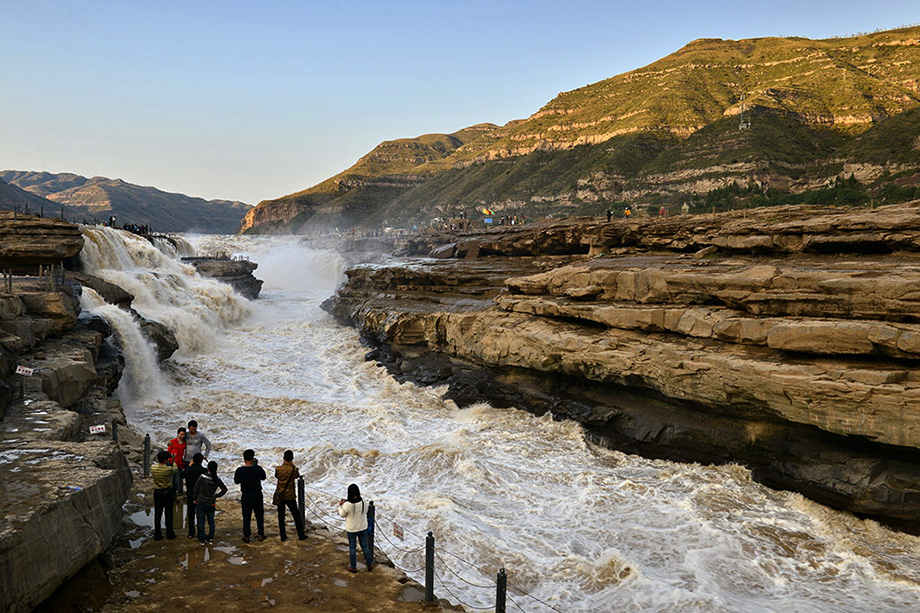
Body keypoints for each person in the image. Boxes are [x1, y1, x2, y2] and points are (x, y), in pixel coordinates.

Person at [337, 483, 372, 572]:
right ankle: (369, 564)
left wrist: (340, 505)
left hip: (351, 529)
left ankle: (353, 567)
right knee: (365, 546)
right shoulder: (364, 502)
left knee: (352, 548)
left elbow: (342, 514)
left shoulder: (347, 504)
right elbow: (366, 510)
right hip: (362, 527)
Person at [234, 449, 266, 543]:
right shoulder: (257, 469)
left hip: (246, 495)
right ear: (253, 458)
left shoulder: (240, 470)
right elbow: (263, 477)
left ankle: (247, 535)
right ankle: (261, 534)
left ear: (244, 458)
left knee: (246, 516)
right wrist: (256, 466)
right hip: (257, 494)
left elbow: (236, 481)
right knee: (259, 515)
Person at [274, 450, 307, 541]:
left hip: (280, 495)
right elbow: (296, 476)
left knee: (281, 516)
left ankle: (283, 536)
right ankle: (301, 535)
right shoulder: (294, 469)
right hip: (290, 496)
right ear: (292, 459)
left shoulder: (278, 469)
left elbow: (277, 476)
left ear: (284, 458)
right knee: (296, 515)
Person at [193, 460, 227, 544]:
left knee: (201, 522)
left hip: (201, 501)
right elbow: (224, 489)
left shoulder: (202, 477)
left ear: (207, 468)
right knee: (211, 521)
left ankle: (202, 539)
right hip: (211, 502)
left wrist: (194, 498)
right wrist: (216, 495)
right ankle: (211, 538)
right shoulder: (217, 479)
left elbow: (196, 489)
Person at [151, 450, 178, 540]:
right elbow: (175, 470)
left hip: (157, 491)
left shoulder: (153, 468)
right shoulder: (168, 469)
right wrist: (173, 461)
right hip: (167, 491)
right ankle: (169, 533)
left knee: (158, 514)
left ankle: (157, 534)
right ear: (166, 459)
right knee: (168, 513)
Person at [183, 452, 207, 538]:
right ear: (201, 461)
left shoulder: (188, 470)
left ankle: (191, 532)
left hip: (190, 494)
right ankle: (201, 532)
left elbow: (182, 475)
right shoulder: (204, 471)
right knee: (200, 515)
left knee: (191, 514)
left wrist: (189, 466)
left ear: (193, 460)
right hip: (201, 495)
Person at [166, 427, 187, 498]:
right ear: (178, 434)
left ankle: (174, 494)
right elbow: (168, 452)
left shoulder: (184, 443)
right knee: (171, 480)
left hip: (179, 464)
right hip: (171, 463)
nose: (182, 436)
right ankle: (171, 495)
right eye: (181, 434)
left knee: (176, 481)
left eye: (183, 435)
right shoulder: (173, 442)